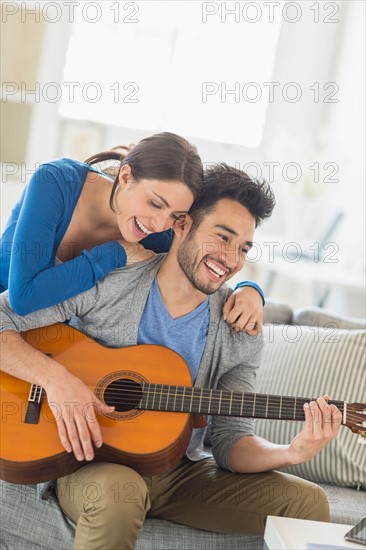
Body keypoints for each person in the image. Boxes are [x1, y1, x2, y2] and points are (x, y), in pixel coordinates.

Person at [0, 164, 341, 550]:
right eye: (222, 236)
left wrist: (292, 451)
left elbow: (230, 442)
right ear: (181, 225)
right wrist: (55, 379)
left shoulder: (240, 330)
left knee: (307, 502)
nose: (230, 258)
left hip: (180, 472)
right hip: (92, 463)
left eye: (243, 248)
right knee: (118, 496)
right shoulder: (111, 280)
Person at [0, 132, 264, 333]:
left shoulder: (158, 236)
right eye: (155, 203)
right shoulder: (55, 182)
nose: (160, 223)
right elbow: (23, 297)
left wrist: (250, 290)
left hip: (56, 342)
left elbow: (199, 265)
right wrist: (117, 253)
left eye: (175, 215)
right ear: (125, 177)